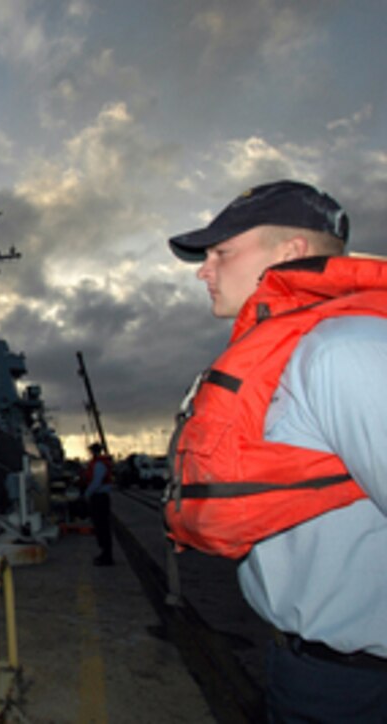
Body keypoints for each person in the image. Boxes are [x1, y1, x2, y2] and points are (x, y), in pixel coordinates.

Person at [163, 180, 387, 720]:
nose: (203, 269)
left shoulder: (345, 352)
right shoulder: (301, 355)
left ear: (290, 255)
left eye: (222, 252)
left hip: (356, 688)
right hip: (311, 670)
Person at [82, 442, 114, 566]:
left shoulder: (99, 464)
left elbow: (96, 482)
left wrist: (87, 494)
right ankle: (105, 553)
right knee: (101, 527)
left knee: (102, 527)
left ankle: (107, 556)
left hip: (99, 498)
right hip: (100, 497)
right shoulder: (101, 463)